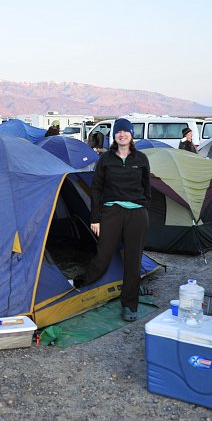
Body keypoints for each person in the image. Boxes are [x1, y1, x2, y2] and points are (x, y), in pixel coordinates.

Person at [80, 118, 151, 322]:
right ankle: (82, 284)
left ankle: (129, 304)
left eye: (126, 131)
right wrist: (95, 218)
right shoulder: (105, 159)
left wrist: (143, 208)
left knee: (133, 260)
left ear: (131, 135)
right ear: (114, 135)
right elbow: (96, 189)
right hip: (112, 212)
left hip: (136, 214)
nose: (122, 134)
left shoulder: (141, 159)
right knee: (103, 254)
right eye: (118, 131)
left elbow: (147, 186)